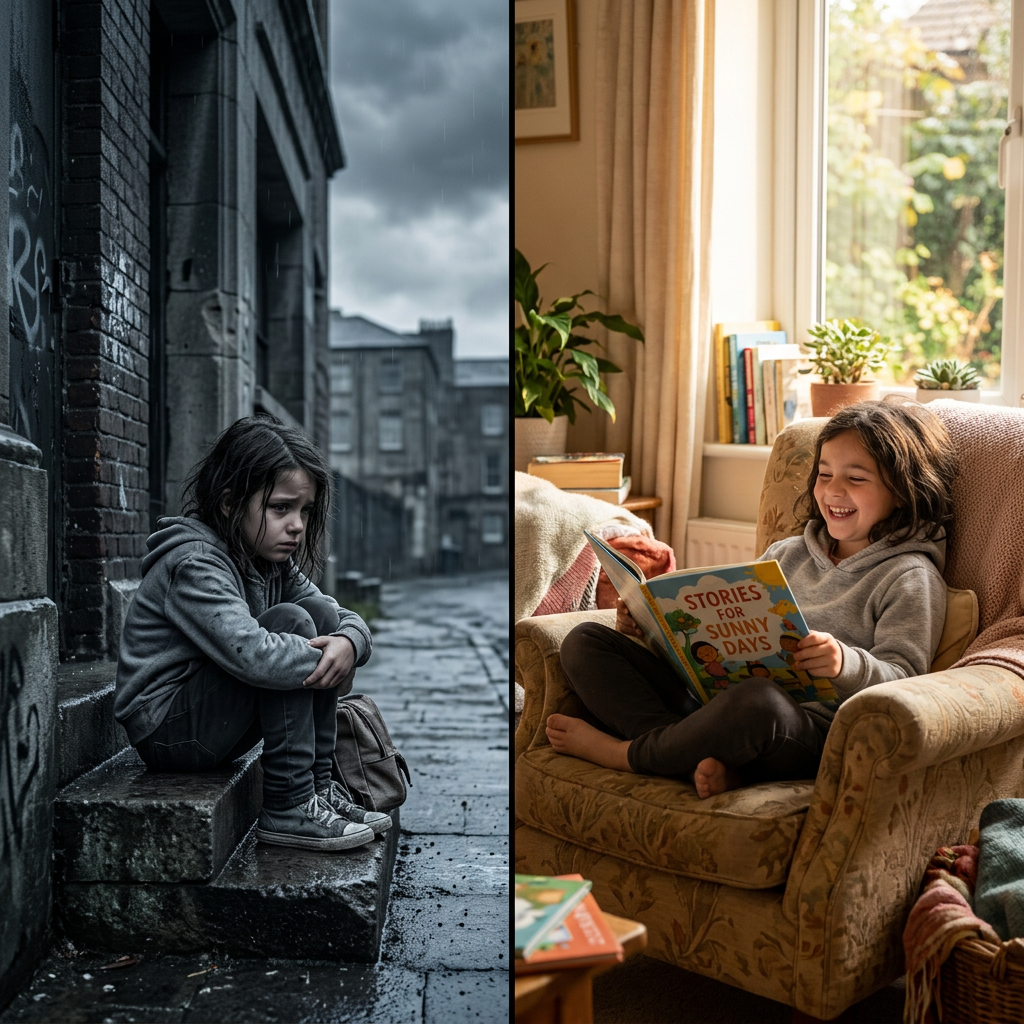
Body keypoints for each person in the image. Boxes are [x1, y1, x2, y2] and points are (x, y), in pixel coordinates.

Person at [547, 399, 955, 798]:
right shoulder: (787, 552)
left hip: (801, 733)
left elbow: (907, 680)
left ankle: (630, 754)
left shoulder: (909, 576)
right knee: (585, 640)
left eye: (857, 478)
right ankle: (694, 756)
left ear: (902, 491)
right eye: (825, 474)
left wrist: (845, 663)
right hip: (715, 705)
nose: (834, 490)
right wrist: (648, 626)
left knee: (760, 701)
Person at [115, 414, 393, 851]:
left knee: (315, 611)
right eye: (281, 508)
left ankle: (319, 792)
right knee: (293, 625)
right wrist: (327, 655)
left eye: (305, 511)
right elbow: (254, 655)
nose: (297, 525)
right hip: (169, 732)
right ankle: (287, 806)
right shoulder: (195, 564)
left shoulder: (269, 560)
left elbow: (339, 615)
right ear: (229, 503)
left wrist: (349, 641)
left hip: (214, 719)